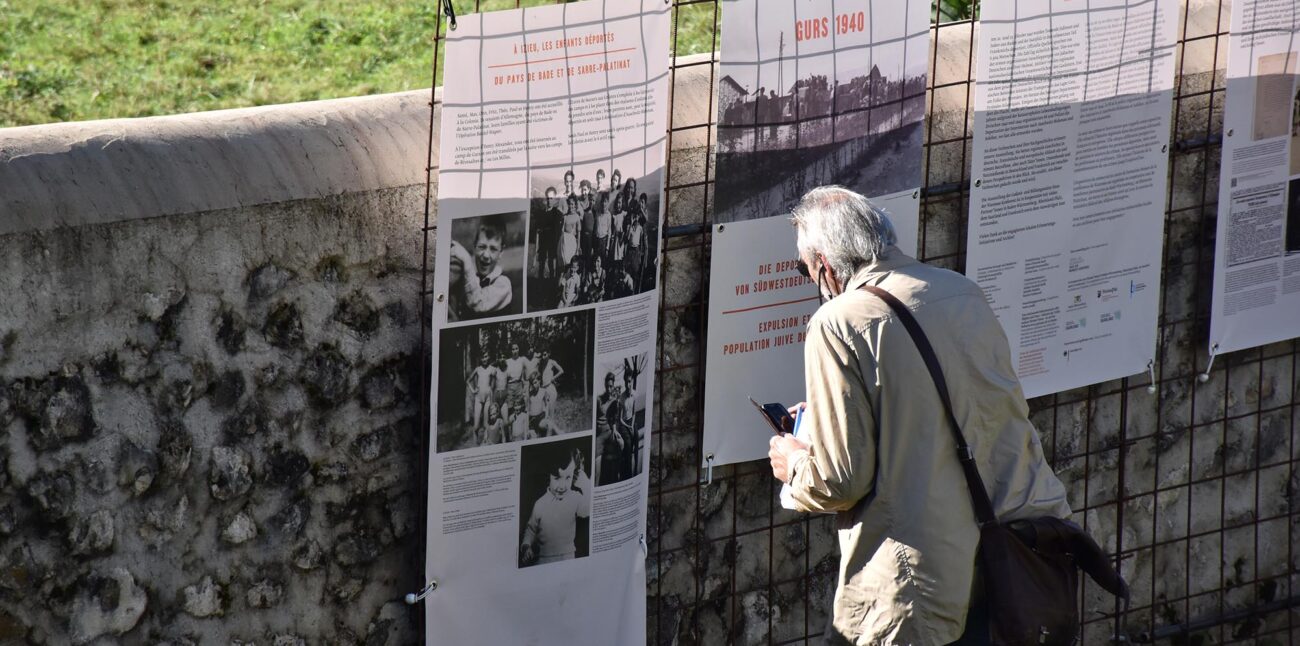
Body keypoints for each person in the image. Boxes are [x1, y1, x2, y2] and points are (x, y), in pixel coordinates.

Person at [765, 186, 1070, 646]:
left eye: (804, 267)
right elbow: (953, 407)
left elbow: (841, 480)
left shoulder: (837, 320)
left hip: (923, 573)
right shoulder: (960, 290)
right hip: (1016, 540)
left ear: (824, 265)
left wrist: (794, 465)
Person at [520, 448, 591, 566]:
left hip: (568, 557)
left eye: (568, 477)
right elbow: (531, 530)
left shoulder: (575, 498)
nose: (562, 486)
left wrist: (585, 484)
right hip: (543, 559)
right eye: (557, 478)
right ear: (549, 477)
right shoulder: (540, 504)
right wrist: (526, 546)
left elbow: (586, 511)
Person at [448, 221, 513, 320]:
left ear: (501, 252)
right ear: (474, 247)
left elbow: (478, 303)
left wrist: (467, 259)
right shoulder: (472, 279)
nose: (486, 255)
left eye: (493, 249)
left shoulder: (504, 284)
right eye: (481, 247)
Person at [595, 372, 624, 485]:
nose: (609, 388)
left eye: (611, 386)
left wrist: (615, 431)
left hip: (608, 431)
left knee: (621, 444)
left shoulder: (614, 401)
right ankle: (596, 486)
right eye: (607, 386)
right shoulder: (599, 399)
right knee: (597, 460)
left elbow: (614, 418)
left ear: (613, 386)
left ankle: (617, 476)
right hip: (599, 432)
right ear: (604, 385)